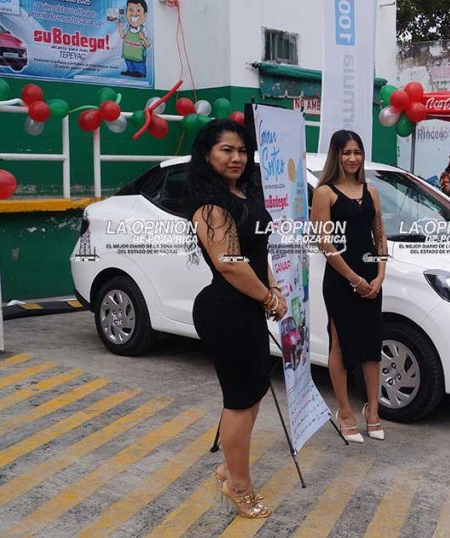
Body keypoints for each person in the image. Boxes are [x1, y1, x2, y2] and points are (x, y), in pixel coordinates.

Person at [186, 120, 286, 519]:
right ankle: (238, 485)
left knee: (254, 391)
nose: (236, 157)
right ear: (208, 154)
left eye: (242, 150)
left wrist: (272, 288)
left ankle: (230, 465)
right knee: (240, 401)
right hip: (227, 310)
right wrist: (267, 296)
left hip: (248, 306)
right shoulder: (210, 206)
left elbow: (256, 252)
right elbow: (230, 265)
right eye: (226, 150)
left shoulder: (242, 193)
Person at [311, 130, 387, 441]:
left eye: (357, 152)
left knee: (371, 346)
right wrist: (354, 278)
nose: (352, 158)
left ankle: (373, 410)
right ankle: (344, 411)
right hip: (341, 279)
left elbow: (379, 235)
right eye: (346, 152)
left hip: (371, 276)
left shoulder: (371, 191)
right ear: (336, 155)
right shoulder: (325, 193)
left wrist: (380, 275)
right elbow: (324, 243)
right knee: (340, 345)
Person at [116, 0, 150, 78]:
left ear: (145, 15)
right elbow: (122, 36)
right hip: (128, 55)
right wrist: (120, 27)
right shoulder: (128, 27)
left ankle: (140, 72)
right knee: (129, 63)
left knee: (138, 65)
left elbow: (147, 44)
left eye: (138, 10)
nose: (134, 14)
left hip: (138, 57)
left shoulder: (142, 30)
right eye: (130, 10)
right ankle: (130, 71)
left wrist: (143, 38)